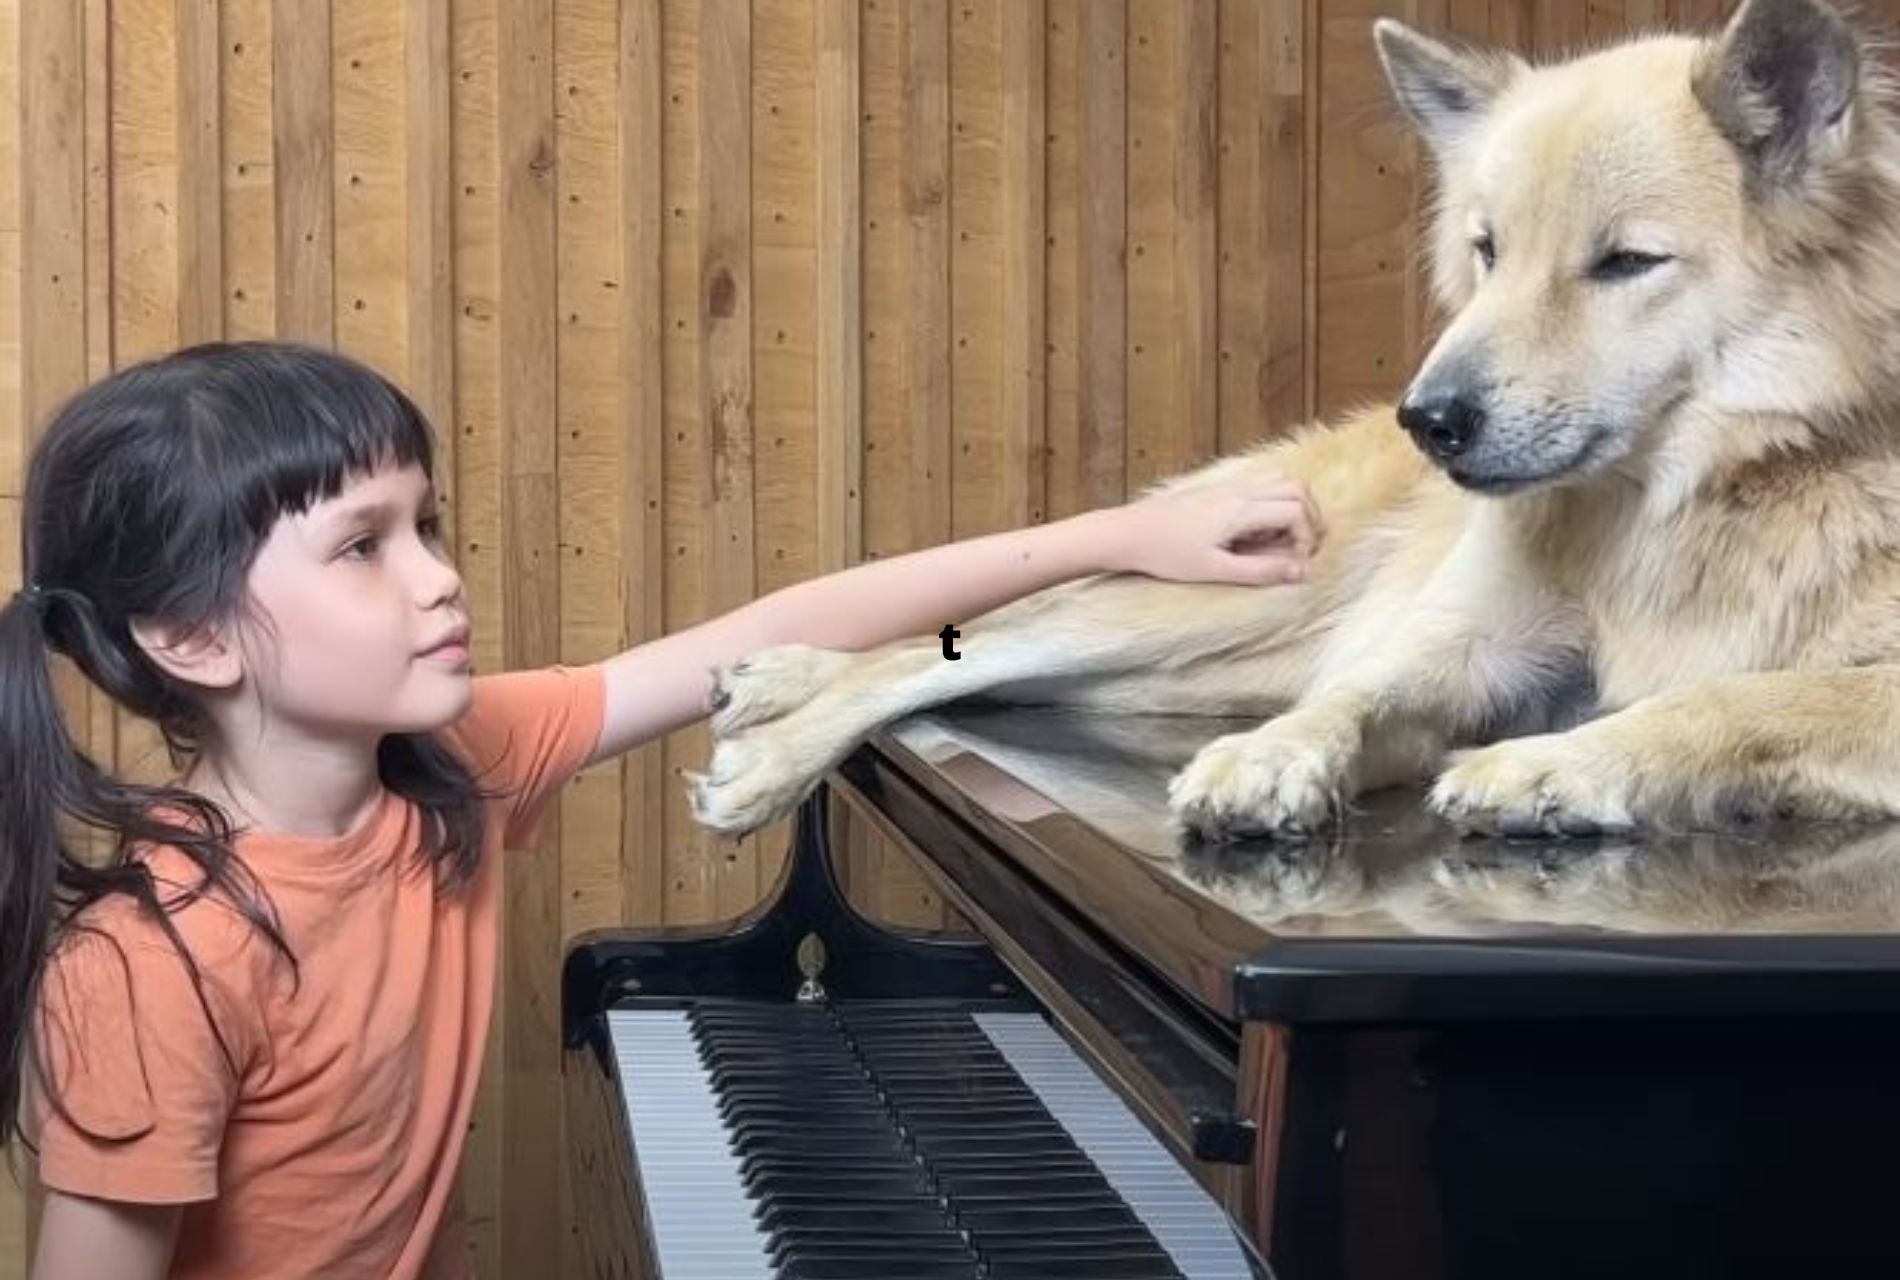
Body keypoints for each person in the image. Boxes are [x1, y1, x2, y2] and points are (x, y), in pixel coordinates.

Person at [0, 341, 1322, 1279]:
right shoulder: (147, 964)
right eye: (364, 546)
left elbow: (772, 635)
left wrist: (1113, 542)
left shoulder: (458, 764)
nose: (440, 579)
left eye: (428, 525)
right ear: (189, 639)